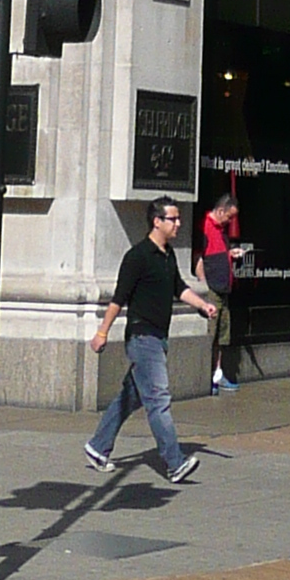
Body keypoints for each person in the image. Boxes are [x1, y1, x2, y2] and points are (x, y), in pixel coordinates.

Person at [83, 197, 217, 484]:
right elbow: (119, 299)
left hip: (159, 336)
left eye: (179, 219)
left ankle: (97, 447)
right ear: (157, 221)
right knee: (158, 399)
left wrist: (201, 305)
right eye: (173, 219)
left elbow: (179, 288)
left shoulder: (168, 255)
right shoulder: (137, 256)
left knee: (130, 398)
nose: (179, 224)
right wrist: (102, 332)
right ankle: (174, 462)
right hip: (143, 337)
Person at [197, 186, 244, 393]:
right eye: (229, 217)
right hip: (212, 290)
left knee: (223, 335)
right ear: (221, 210)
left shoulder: (221, 233)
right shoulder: (205, 227)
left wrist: (230, 254)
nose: (230, 222)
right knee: (212, 332)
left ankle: (218, 375)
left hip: (223, 289)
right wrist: (203, 286)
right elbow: (198, 258)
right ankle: (206, 378)